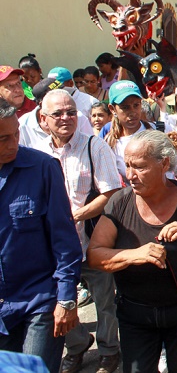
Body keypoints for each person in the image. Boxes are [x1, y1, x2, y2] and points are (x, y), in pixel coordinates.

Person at [87, 130, 177, 373]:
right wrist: (134, 255)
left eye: (139, 167)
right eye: (127, 165)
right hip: (136, 316)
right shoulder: (119, 202)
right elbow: (95, 255)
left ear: (164, 164)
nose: (130, 175)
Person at [34, 91, 122, 373]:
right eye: (57, 113)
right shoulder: (37, 153)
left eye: (71, 112)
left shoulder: (94, 146)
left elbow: (111, 193)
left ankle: (110, 349)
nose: (65, 118)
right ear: (43, 119)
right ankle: (78, 344)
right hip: (55, 247)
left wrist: (77, 216)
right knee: (59, 300)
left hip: (91, 239)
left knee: (105, 300)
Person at [0, 98, 83, 373]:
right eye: (3, 139)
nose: (12, 144)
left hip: (39, 301)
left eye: (15, 134)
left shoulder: (43, 168)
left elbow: (65, 240)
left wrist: (66, 298)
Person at [19, 79, 93, 149]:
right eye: (57, 96)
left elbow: (91, 146)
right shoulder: (23, 124)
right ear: (42, 104)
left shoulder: (78, 117)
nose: (65, 118)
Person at [103, 80, 152, 182]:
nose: (132, 112)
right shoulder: (110, 144)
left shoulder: (160, 130)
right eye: (125, 107)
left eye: (136, 105)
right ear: (112, 109)